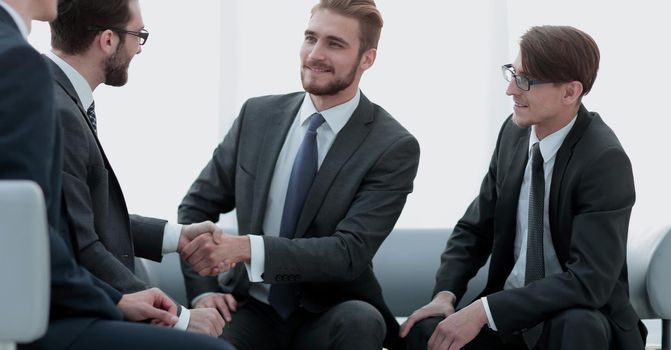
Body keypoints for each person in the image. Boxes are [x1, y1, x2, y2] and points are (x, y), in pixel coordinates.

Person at [177, 0, 420, 348]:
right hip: (249, 306)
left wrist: (248, 248)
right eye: (311, 38)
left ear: (367, 59)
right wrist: (203, 293)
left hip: (330, 311)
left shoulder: (392, 146)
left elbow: (348, 253)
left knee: (361, 322)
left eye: (334, 44)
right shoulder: (257, 116)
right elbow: (195, 208)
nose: (315, 54)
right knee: (204, 337)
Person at [0, 0, 234, 349]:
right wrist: (177, 317)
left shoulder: (61, 95)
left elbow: (82, 213)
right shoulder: (45, 91)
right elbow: (76, 241)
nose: (140, 48)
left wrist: (176, 236)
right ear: (107, 40)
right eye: (139, 35)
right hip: (53, 311)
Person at [400, 25, 647, 350]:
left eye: (526, 81)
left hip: (576, 319)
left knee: (576, 324)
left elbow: (589, 281)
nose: (511, 90)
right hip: (511, 318)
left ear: (570, 92)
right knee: (427, 330)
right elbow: (474, 230)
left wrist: (484, 311)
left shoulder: (604, 160)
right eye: (512, 74)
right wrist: (446, 295)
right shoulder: (514, 134)